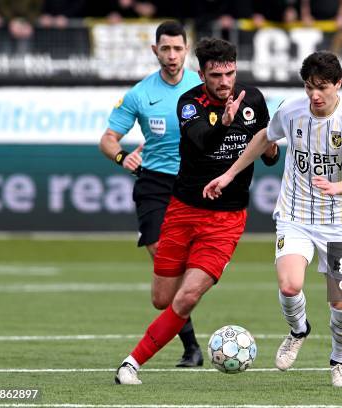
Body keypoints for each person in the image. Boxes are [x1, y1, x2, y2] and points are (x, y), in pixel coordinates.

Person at [203, 51, 342, 387]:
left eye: (323, 87)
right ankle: (299, 330)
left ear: (338, 84)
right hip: (295, 215)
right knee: (289, 284)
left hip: (338, 220)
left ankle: (339, 361)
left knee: (340, 303)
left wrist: (337, 187)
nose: (315, 94)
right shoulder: (291, 110)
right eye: (310, 86)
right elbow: (263, 139)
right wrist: (228, 175)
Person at [114, 37, 280, 385]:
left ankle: (131, 364)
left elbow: (267, 148)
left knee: (187, 296)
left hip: (227, 219)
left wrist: (270, 151)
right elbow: (203, 141)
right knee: (163, 299)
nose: (224, 82)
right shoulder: (189, 103)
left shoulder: (253, 100)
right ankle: (173, 325)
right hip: (183, 211)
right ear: (202, 73)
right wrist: (224, 123)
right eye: (216, 75)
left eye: (230, 73)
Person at [99, 21, 204, 368]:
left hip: (192, 183)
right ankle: (191, 346)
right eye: (166, 49)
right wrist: (121, 155)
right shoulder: (140, 94)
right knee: (164, 258)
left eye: (178, 49)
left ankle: (191, 348)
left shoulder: (203, 87)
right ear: (154, 50)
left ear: (186, 50)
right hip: (154, 184)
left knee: (177, 283)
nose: (172, 55)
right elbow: (108, 139)